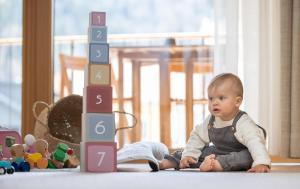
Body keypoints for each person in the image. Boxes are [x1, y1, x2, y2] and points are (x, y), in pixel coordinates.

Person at [150, 73, 270, 173]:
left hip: (242, 151)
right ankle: (167, 163)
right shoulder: (211, 120)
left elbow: (255, 142)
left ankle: (216, 165)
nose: (214, 103)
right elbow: (197, 136)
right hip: (218, 151)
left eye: (221, 98)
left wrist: (261, 163)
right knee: (196, 152)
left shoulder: (243, 122)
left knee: (246, 157)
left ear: (237, 101)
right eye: (211, 98)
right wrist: (190, 154)